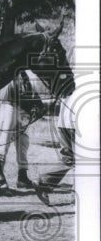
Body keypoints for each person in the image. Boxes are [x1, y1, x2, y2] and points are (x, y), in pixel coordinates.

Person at [35, 75, 76, 206]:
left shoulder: (68, 73)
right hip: (77, 123)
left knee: (69, 158)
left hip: (63, 121)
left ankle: (45, 183)